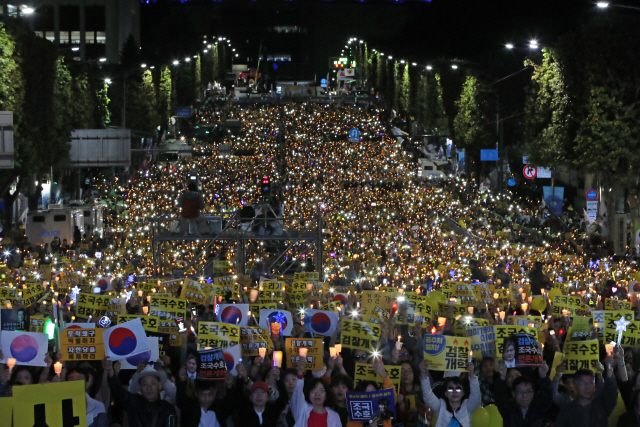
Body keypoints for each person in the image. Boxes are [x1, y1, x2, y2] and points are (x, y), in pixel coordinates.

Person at [104, 356, 177, 427]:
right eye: (145, 384)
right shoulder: (133, 402)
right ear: (140, 387)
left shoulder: (168, 408)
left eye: (153, 383)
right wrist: (110, 371)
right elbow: (118, 390)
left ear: (160, 386)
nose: (149, 387)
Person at [420, 360, 481, 427]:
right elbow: (427, 395)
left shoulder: (467, 406)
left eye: (458, 389)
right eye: (450, 389)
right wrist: (423, 373)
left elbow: (476, 395)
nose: (454, 392)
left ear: (463, 393)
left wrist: (471, 374)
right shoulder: (440, 406)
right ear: (445, 393)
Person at [493, 360, 552, 427]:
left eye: (528, 392)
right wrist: (502, 377)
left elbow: (547, 394)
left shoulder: (538, 408)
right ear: (513, 394)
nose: (525, 396)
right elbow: (499, 395)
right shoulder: (508, 410)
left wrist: (543, 376)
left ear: (533, 393)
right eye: (521, 392)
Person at [291, 359, 341, 427]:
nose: (317, 394)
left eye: (321, 390)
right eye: (313, 390)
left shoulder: (334, 416)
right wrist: (300, 371)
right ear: (308, 394)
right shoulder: (302, 409)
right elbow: (298, 391)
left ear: (326, 395)